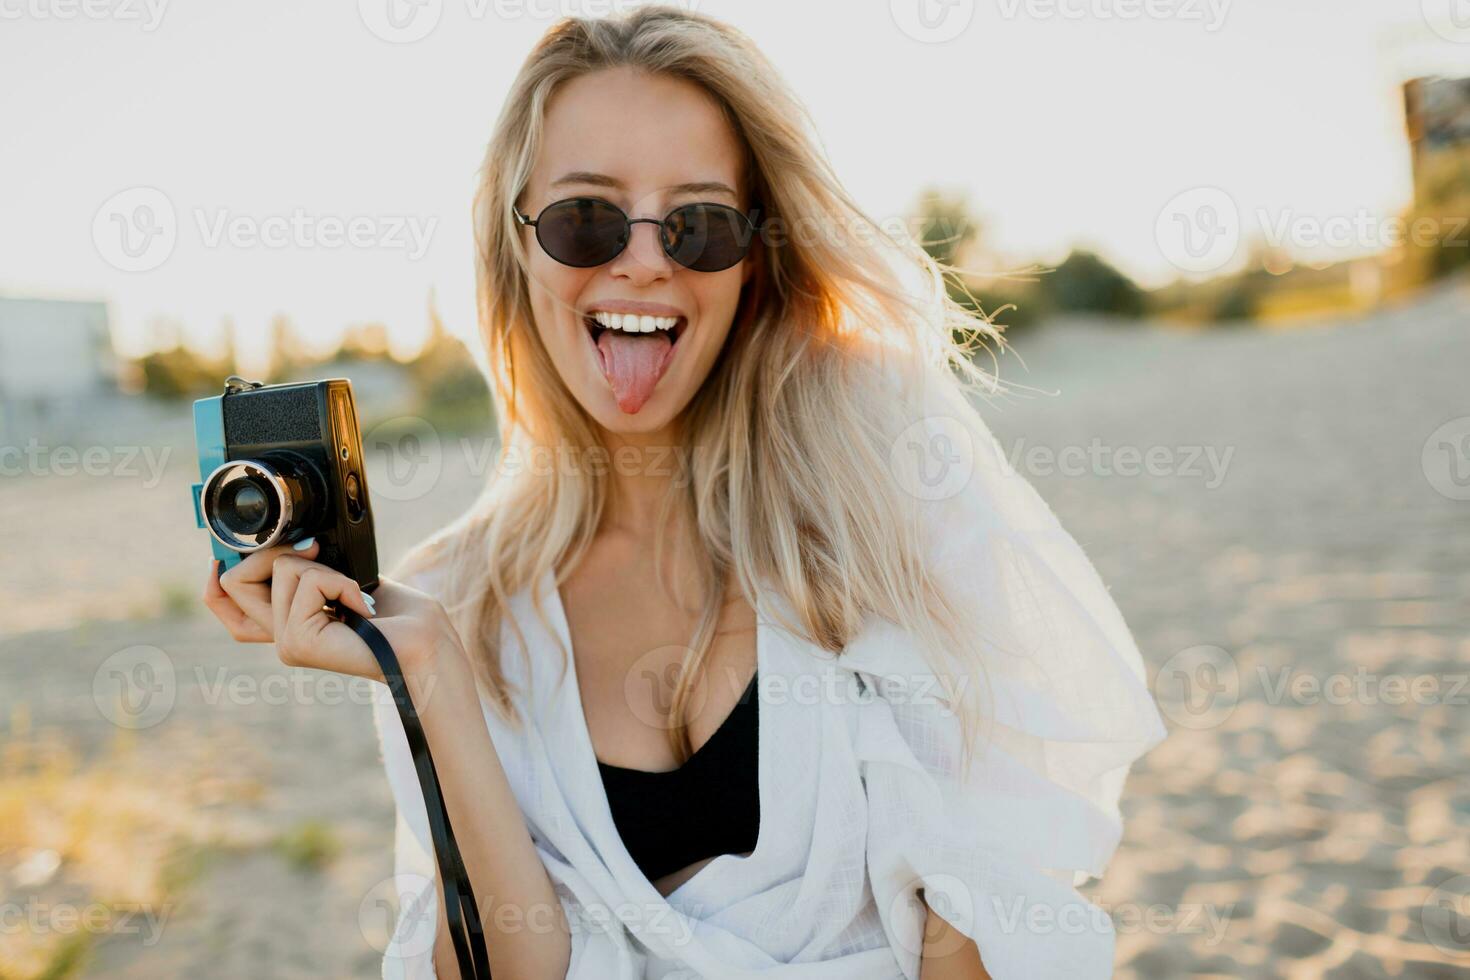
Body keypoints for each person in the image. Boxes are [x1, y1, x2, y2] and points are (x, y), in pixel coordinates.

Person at [202, 6, 1167, 978]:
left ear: (753, 262)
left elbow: (980, 903)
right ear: (517, 245)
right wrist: (436, 684)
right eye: (587, 218)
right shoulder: (447, 598)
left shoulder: (882, 496)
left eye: (701, 225)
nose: (647, 259)